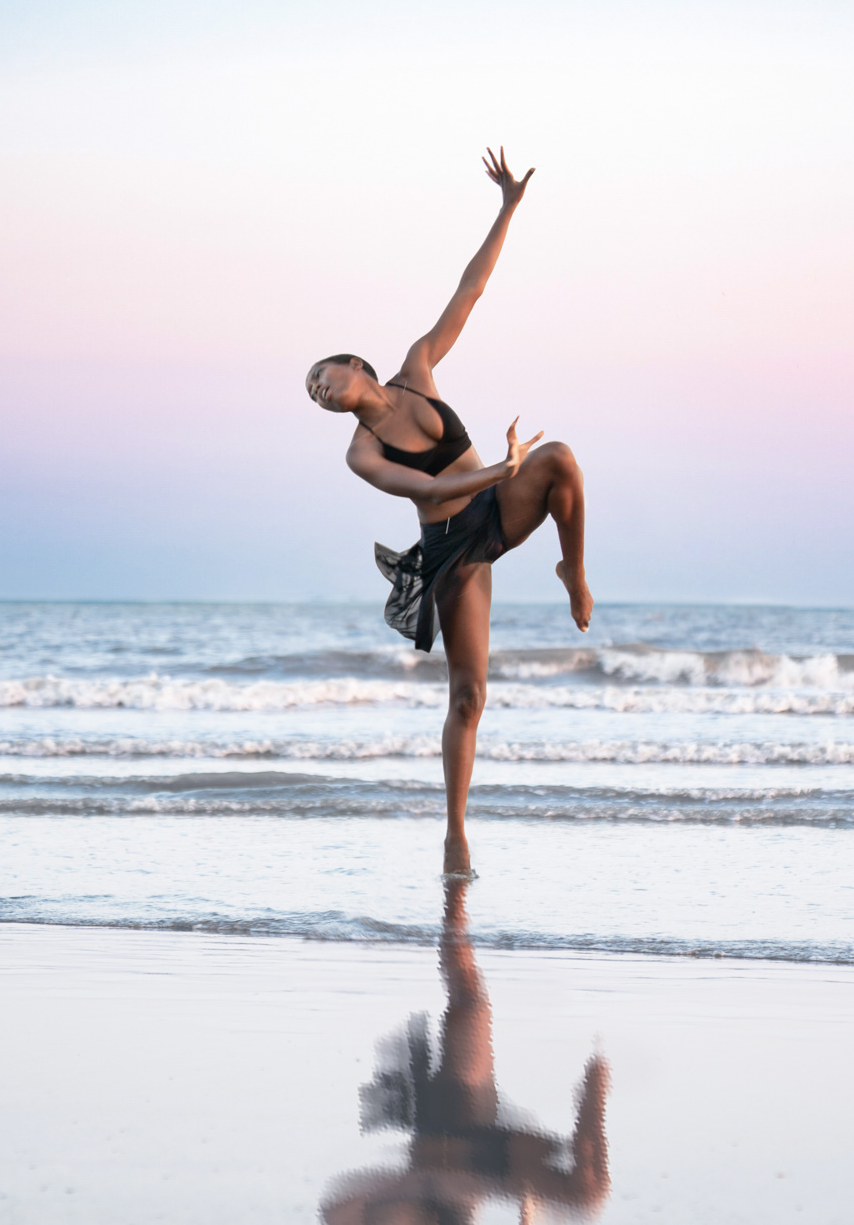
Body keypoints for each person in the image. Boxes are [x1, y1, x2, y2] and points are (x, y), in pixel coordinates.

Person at [306, 149, 593, 874]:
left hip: (499, 504)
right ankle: (455, 830)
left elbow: (470, 290)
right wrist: (501, 467)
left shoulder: (418, 367)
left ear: (356, 366)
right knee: (469, 695)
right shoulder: (361, 452)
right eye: (312, 392)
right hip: (454, 550)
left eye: (323, 375)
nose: (319, 389)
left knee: (560, 456)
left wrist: (507, 209)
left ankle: (572, 567)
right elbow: (429, 493)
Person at [320, 880, 610, 1224]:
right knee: (589, 1194)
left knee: (470, 1003)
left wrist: (426, 1185)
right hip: (489, 1163)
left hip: (449, 1132)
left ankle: (454, 897)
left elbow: (337, 1209)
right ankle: (597, 1078)